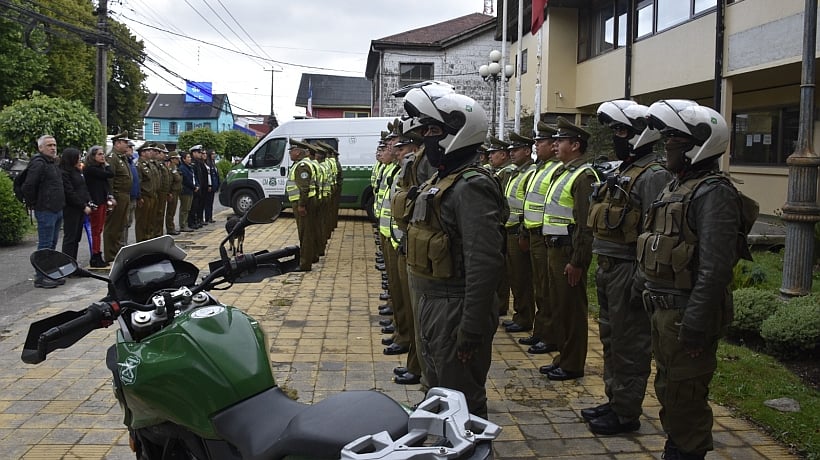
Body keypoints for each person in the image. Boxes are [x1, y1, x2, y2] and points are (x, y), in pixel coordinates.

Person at [638, 100, 743, 460]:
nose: (667, 146)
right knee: (670, 389)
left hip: (686, 315)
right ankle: (678, 446)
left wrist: (696, 325)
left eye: (675, 140)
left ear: (699, 144)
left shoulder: (713, 192)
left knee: (686, 394)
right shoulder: (676, 186)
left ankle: (687, 451)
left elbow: (715, 268)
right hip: (665, 312)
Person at [403, 87, 505, 417]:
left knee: (463, 400)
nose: (427, 138)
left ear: (459, 131)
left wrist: (471, 327)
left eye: (434, 130)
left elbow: (484, 263)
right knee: (438, 393)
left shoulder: (471, 185)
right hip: (432, 304)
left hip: (454, 306)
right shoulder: (443, 178)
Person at [582, 100, 672, 435]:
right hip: (608, 268)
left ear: (641, 134)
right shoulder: (624, 170)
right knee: (611, 339)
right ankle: (615, 399)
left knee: (630, 343)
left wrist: (642, 279)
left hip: (628, 270)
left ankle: (626, 412)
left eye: (622, 130)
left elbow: (656, 233)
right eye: (616, 130)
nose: (617, 137)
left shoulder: (653, 175)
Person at [537, 117, 598, 381]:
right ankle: (563, 356)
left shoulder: (584, 176)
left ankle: (573, 364)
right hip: (554, 249)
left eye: (561, 141)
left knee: (572, 310)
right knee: (560, 307)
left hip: (568, 252)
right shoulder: (566, 172)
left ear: (575, 145)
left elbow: (586, 225)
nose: (556, 145)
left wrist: (578, 261)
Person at [517, 125, 563, 353]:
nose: (537, 146)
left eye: (541, 142)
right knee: (539, 287)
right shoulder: (540, 169)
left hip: (548, 237)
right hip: (535, 234)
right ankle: (541, 331)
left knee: (547, 289)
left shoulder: (556, 170)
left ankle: (550, 335)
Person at [21, 135, 66, 288]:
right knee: (45, 246)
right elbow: (29, 186)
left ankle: (50, 274)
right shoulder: (39, 163)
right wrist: (34, 203)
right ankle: (40, 277)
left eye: (54, 144)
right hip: (46, 210)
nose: (53, 148)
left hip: (57, 208)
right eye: (49, 145)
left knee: (52, 245)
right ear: (40, 148)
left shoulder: (52, 163)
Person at [286, 139, 319, 272]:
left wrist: (301, 205)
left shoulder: (302, 166)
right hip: (308, 202)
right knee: (309, 231)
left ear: (298, 152)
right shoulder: (301, 164)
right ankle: (312, 256)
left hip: (304, 203)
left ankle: (305, 263)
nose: (289, 154)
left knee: (305, 233)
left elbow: (304, 188)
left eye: (291, 151)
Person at [103, 132, 133, 262]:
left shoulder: (122, 157)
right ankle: (110, 254)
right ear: (117, 143)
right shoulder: (112, 157)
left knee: (121, 225)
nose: (127, 145)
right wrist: (111, 196)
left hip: (125, 195)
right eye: (125, 142)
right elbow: (110, 179)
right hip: (117, 195)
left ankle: (117, 251)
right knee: (113, 226)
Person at [60, 148, 93, 262]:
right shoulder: (64, 173)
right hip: (71, 209)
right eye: (77, 158)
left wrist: (88, 201)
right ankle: (67, 262)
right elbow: (70, 192)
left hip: (81, 207)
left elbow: (83, 188)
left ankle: (73, 262)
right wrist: (83, 206)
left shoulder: (77, 171)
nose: (79, 160)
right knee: (70, 237)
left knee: (76, 237)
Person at [83, 145, 114, 268]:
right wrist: (106, 164)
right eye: (99, 154)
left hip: (102, 201)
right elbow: (110, 174)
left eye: (103, 154)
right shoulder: (91, 169)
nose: (103, 157)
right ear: (93, 156)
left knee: (99, 229)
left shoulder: (98, 168)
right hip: (95, 202)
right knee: (95, 230)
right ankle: (95, 255)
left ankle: (97, 254)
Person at [134, 142, 157, 242]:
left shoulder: (149, 164)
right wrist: (139, 197)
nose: (150, 152)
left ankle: (149, 238)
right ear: (142, 153)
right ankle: (141, 240)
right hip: (144, 196)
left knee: (150, 219)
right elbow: (138, 182)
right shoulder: (139, 165)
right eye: (147, 151)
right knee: (142, 221)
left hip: (151, 195)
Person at [178, 151, 196, 232]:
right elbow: (186, 180)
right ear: (184, 159)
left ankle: (185, 223)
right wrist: (193, 186)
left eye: (190, 157)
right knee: (184, 209)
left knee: (188, 208)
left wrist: (196, 185)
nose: (190, 159)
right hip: (185, 190)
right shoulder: (182, 168)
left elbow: (194, 177)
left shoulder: (189, 167)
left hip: (190, 190)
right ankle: (183, 225)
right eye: (188, 157)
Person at [165, 151, 182, 235]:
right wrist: (169, 192)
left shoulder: (175, 167)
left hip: (176, 191)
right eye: (176, 158)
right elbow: (170, 181)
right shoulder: (170, 168)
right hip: (173, 191)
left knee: (173, 210)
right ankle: (170, 228)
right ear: (172, 159)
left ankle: (172, 227)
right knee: (170, 211)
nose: (178, 160)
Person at [204, 149, 220, 223]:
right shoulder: (208, 164)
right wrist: (209, 185)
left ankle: (210, 217)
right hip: (209, 187)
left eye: (214, 154)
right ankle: (207, 217)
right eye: (213, 154)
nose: (214, 155)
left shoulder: (213, 163)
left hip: (214, 186)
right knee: (208, 203)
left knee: (211, 203)